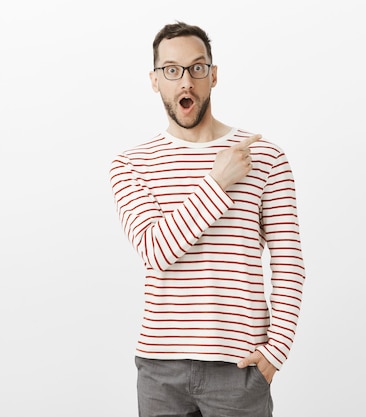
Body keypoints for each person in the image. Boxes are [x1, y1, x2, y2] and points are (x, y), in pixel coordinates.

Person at [109, 21, 306, 417]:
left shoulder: (265, 157)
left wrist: (276, 351)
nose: (186, 81)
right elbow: (156, 250)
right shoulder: (131, 164)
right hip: (160, 369)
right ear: (154, 80)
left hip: (240, 367)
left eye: (197, 68)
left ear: (213, 75)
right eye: (172, 70)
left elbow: (288, 263)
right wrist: (217, 181)